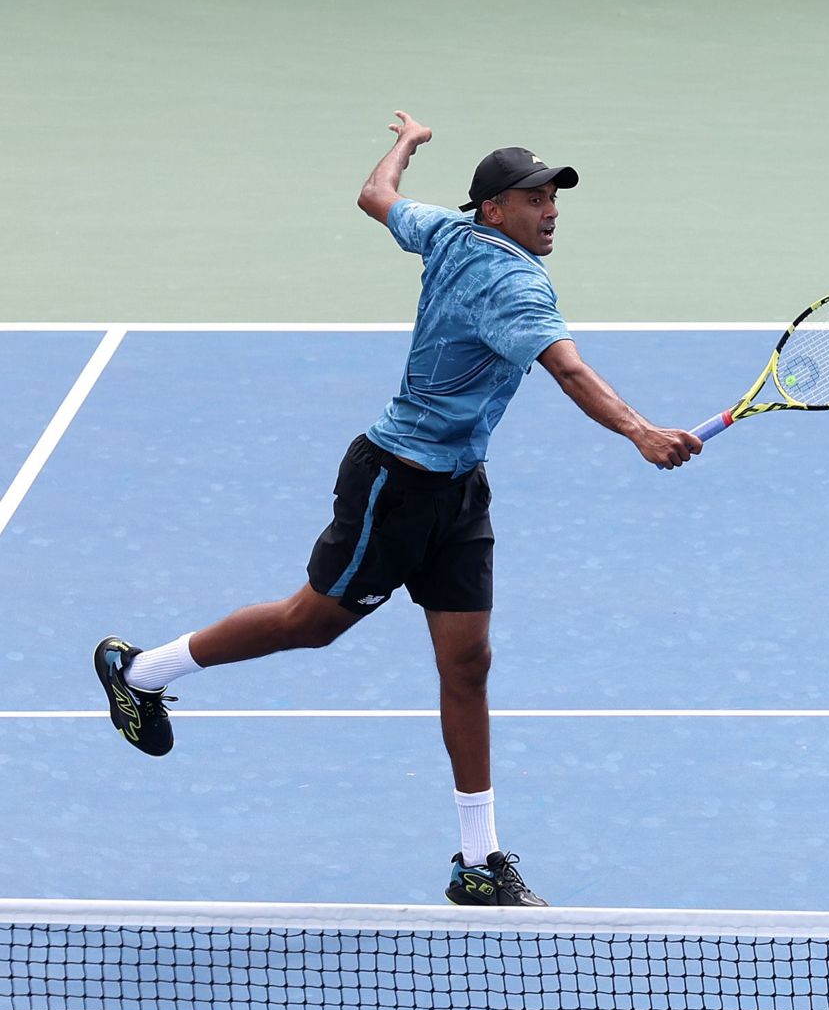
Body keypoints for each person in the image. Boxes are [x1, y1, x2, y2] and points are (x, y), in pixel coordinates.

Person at [93, 112, 700, 907]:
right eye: (534, 199)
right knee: (306, 623)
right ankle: (136, 671)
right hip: (395, 484)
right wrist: (642, 432)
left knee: (469, 663)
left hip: (459, 491)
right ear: (494, 210)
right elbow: (570, 371)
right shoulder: (513, 284)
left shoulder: (444, 231)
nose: (550, 210)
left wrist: (407, 143)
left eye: (555, 197)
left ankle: (479, 861)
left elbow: (376, 195)